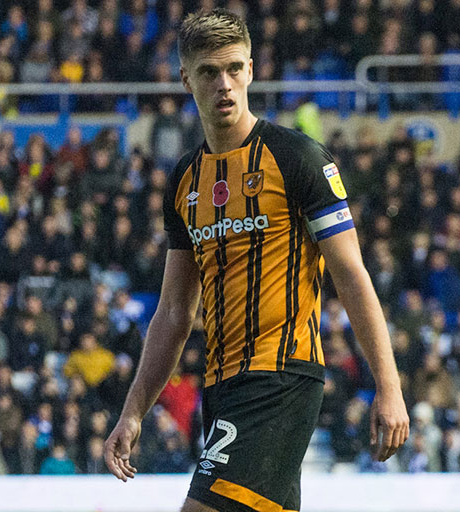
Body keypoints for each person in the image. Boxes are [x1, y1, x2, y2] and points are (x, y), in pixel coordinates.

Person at [104, 9, 409, 512]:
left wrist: (389, 386)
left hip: (281, 378)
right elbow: (175, 314)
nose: (224, 84)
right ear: (186, 79)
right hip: (220, 387)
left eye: (234, 69)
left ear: (251, 69)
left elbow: (350, 274)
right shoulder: (184, 182)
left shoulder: (298, 160)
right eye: (208, 72)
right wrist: (133, 411)